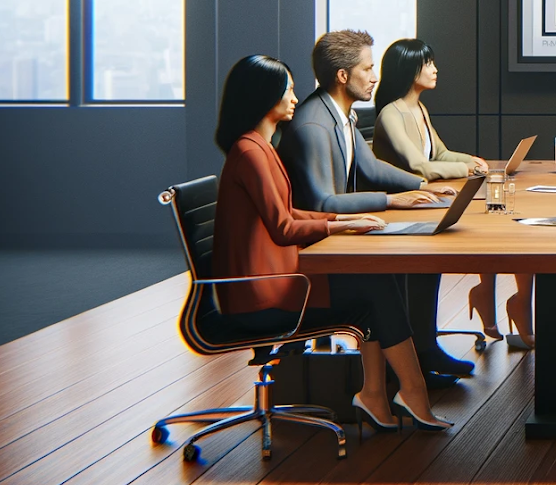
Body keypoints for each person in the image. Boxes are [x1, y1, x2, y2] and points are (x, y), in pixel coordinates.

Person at [212, 55, 450, 432]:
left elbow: (289, 213)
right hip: (258, 293)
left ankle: (378, 393)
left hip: (272, 279)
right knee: (376, 285)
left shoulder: (260, 147)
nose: (294, 97)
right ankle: (412, 391)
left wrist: (343, 220)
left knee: (375, 284)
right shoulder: (251, 153)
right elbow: (284, 228)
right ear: (263, 96)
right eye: (286, 89)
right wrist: (338, 226)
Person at [277, 29, 471, 383]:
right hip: (316, 250)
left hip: (342, 234)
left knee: (427, 253)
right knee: (405, 261)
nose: (375, 76)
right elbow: (323, 201)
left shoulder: (341, 113)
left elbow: (370, 167)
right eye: (367, 69)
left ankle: (423, 351)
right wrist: (392, 200)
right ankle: (407, 371)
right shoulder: (314, 125)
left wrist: (422, 187)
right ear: (343, 76)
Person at [373, 38, 534, 350]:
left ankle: (480, 302)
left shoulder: (417, 108)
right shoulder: (392, 114)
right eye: (428, 64)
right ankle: (433, 340)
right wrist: (470, 172)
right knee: (487, 221)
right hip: (405, 206)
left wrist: (471, 161)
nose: (435, 70)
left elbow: (441, 154)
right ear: (409, 70)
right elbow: (419, 165)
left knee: (499, 224)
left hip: (429, 200)